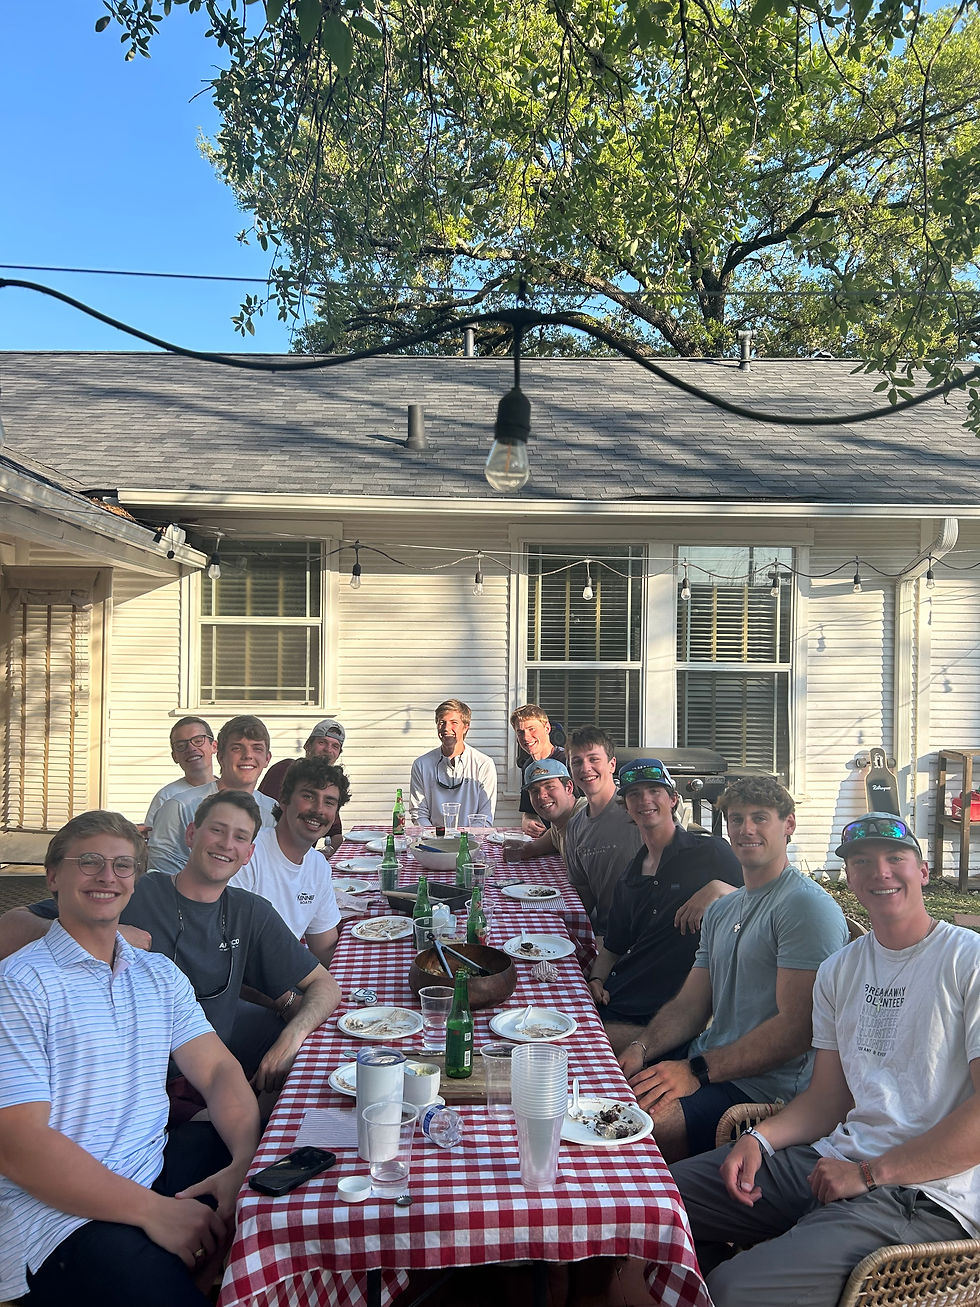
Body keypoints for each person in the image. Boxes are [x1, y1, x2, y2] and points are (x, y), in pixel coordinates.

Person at [671, 811, 980, 1307]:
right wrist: (761, 1139)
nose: (880, 872)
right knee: (660, 1202)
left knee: (733, 1291)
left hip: (924, 1194)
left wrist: (868, 1175)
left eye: (895, 858)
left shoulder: (968, 960)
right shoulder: (840, 970)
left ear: (922, 871)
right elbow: (828, 1097)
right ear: (850, 877)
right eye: (862, 862)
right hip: (832, 1159)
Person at [0, 810, 260, 1307]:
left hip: (150, 1167)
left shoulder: (156, 973)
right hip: (59, 1218)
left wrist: (242, 1162)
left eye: (123, 866)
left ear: (136, 882)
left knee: (272, 1185)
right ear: (53, 876)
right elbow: (17, 1146)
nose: (107, 877)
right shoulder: (21, 983)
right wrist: (153, 1213)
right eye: (90, 862)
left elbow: (219, 1070)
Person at [2, 791, 342, 1094]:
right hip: (121, 1081)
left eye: (239, 837)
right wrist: (101, 936)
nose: (226, 844)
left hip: (205, 1078)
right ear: (191, 834)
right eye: (217, 829)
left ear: (249, 853)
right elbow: (9, 929)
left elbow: (324, 985)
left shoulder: (249, 912)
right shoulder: (130, 890)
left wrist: (292, 1037)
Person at [618, 776, 848, 1163]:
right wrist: (642, 1048)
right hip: (709, 1064)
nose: (746, 829)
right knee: (599, 1077)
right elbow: (690, 1005)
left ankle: (665, 1212)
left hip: (764, 1091)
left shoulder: (805, 907)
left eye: (760, 818)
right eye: (736, 819)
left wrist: (695, 1071)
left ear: (788, 824)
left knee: (632, 1128)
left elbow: (797, 1031)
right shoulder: (723, 909)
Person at [587, 758, 743, 1054]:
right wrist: (596, 979)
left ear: (673, 799)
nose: (644, 800)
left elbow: (765, 902)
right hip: (620, 998)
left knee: (577, 1044)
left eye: (654, 791)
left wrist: (720, 889)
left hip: (670, 1014)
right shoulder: (630, 875)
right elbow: (612, 946)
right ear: (627, 808)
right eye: (634, 794)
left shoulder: (711, 852)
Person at [231, 758, 347, 967]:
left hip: (285, 977)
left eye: (329, 802)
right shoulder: (248, 855)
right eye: (308, 796)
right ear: (284, 800)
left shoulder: (318, 865)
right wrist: (291, 1000)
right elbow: (231, 955)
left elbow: (325, 949)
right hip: (246, 989)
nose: (319, 810)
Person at [148, 714, 278, 876]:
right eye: (237, 748)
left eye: (257, 748)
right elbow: (161, 873)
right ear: (220, 756)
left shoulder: (272, 810)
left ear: (267, 759)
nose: (248, 755)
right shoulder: (179, 807)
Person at [562, 726, 643, 940]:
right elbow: (583, 895)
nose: (585, 768)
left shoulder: (638, 810)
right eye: (577, 762)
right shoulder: (575, 825)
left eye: (593, 759)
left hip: (646, 932)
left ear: (612, 765)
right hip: (607, 933)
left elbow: (687, 853)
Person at [258, 718, 347, 854]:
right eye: (322, 742)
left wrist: (325, 854)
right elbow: (264, 816)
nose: (328, 750)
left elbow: (335, 834)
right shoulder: (285, 770)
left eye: (335, 746)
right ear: (307, 746)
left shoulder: (330, 785)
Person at [409, 698, 496, 826]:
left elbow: (485, 816)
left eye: (454, 722)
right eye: (441, 722)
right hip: (433, 840)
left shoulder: (483, 764)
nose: (446, 728)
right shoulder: (422, 764)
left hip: (471, 841)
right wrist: (434, 837)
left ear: (466, 727)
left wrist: (465, 840)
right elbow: (419, 813)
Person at [141, 716, 218, 834]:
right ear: (175, 756)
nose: (191, 748)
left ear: (214, 746)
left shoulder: (230, 791)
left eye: (198, 741)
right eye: (181, 745)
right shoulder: (166, 797)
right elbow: (154, 844)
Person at [503, 757, 586, 864]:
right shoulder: (561, 821)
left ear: (568, 788)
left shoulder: (585, 817)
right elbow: (553, 836)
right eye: (534, 790)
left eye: (550, 786)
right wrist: (527, 849)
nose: (541, 796)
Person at [510, 704, 566, 836]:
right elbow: (528, 811)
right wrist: (527, 821)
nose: (526, 737)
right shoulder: (528, 767)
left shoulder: (567, 760)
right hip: (544, 840)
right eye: (520, 732)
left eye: (531, 729)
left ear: (547, 728)